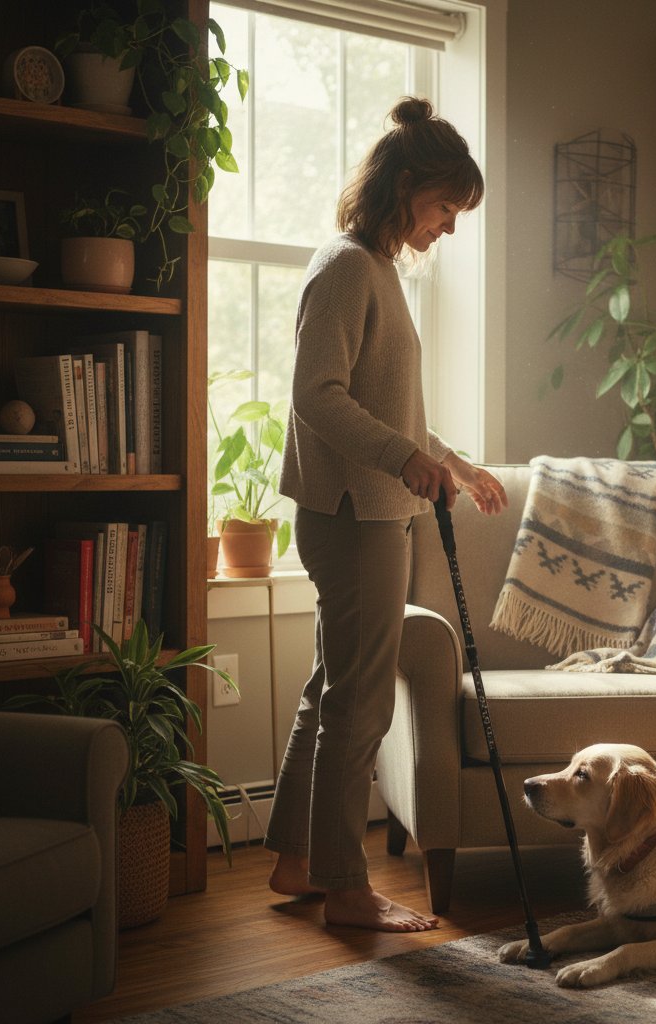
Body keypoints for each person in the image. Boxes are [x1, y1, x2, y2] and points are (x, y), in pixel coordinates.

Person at [263, 96, 507, 933]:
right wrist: (405, 460)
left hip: (370, 511)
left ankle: (297, 859)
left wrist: (452, 462)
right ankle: (345, 887)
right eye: (444, 206)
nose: (449, 225)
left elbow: (388, 407)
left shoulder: (376, 269)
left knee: (332, 690)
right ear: (404, 187)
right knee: (360, 703)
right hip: (354, 515)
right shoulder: (345, 268)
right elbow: (317, 395)